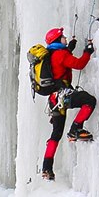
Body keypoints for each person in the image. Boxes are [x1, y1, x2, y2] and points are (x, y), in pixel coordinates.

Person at [41, 27, 96, 181]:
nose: (65, 38)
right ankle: (75, 129)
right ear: (58, 41)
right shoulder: (61, 54)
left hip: (53, 99)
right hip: (63, 95)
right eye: (63, 37)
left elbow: (60, 64)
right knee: (89, 101)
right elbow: (79, 64)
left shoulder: (51, 55)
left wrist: (69, 47)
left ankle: (46, 168)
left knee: (56, 134)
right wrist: (88, 51)